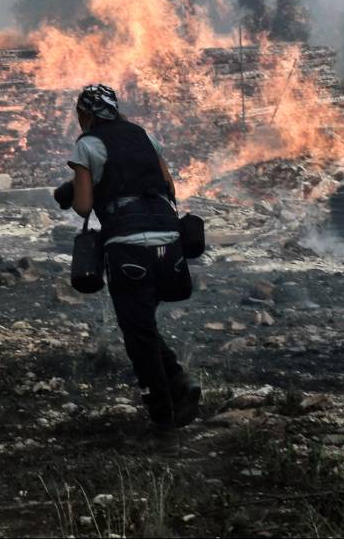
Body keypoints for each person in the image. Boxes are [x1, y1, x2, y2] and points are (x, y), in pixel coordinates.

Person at [54, 84, 201, 430]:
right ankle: (179, 381)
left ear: (86, 114)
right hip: (169, 241)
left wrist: (78, 184)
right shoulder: (144, 135)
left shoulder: (87, 145)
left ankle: (164, 414)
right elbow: (169, 185)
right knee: (142, 325)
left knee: (137, 335)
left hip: (128, 248)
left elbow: (84, 206)